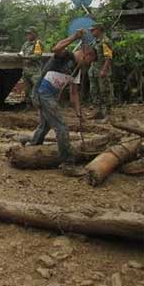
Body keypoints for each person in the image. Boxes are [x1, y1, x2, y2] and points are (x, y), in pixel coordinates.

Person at [28, 29, 97, 176]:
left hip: (50, 96)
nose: (89, 64)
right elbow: (56, 48)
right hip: (42, 92)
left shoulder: (77, 71)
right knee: (62, 127)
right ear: (87, 54)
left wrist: (79, 113)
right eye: (90, 61)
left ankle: (32, 146)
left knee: (46, 124)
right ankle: (68, 163)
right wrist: (74, 37)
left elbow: (74, 93)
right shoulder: (66, 56)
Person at [88, 23, 114, 119]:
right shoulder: (95, 41)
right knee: (94, 90)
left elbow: (109, 57)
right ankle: (98, 111)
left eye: (93, 30)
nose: (91, 32)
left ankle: (108, 112)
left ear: (99, 30)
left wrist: (104, 70)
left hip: (102, 69)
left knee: (105, 91)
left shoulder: (105, 41)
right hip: (93, 69)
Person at [19, 26, 45, 108]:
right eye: (27, 34)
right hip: (26, 70)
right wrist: (21, 54)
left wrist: (26, 57)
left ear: (34, 34)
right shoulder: (26, 43)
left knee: (36, 88)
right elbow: (22, 51)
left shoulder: (38, 43)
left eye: (30, 33)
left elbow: (37, 56)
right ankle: (28, 106)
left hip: (35, 71)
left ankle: (39, 106)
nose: (28, 35)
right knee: (27, 89)